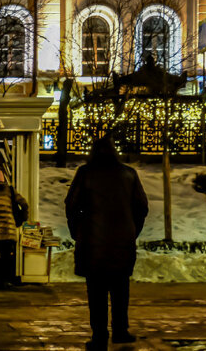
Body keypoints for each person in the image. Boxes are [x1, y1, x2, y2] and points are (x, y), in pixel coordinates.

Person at [65, 137, 149, 350]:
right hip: (122, 242)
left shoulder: (85, 173)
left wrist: (79, 230)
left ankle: (99, 334)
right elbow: (141, 206)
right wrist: (132, 229)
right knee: (121, 289)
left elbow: (71, 205)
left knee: (96, 292)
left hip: (93, 243)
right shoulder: (128, 174)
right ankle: (121, 330)